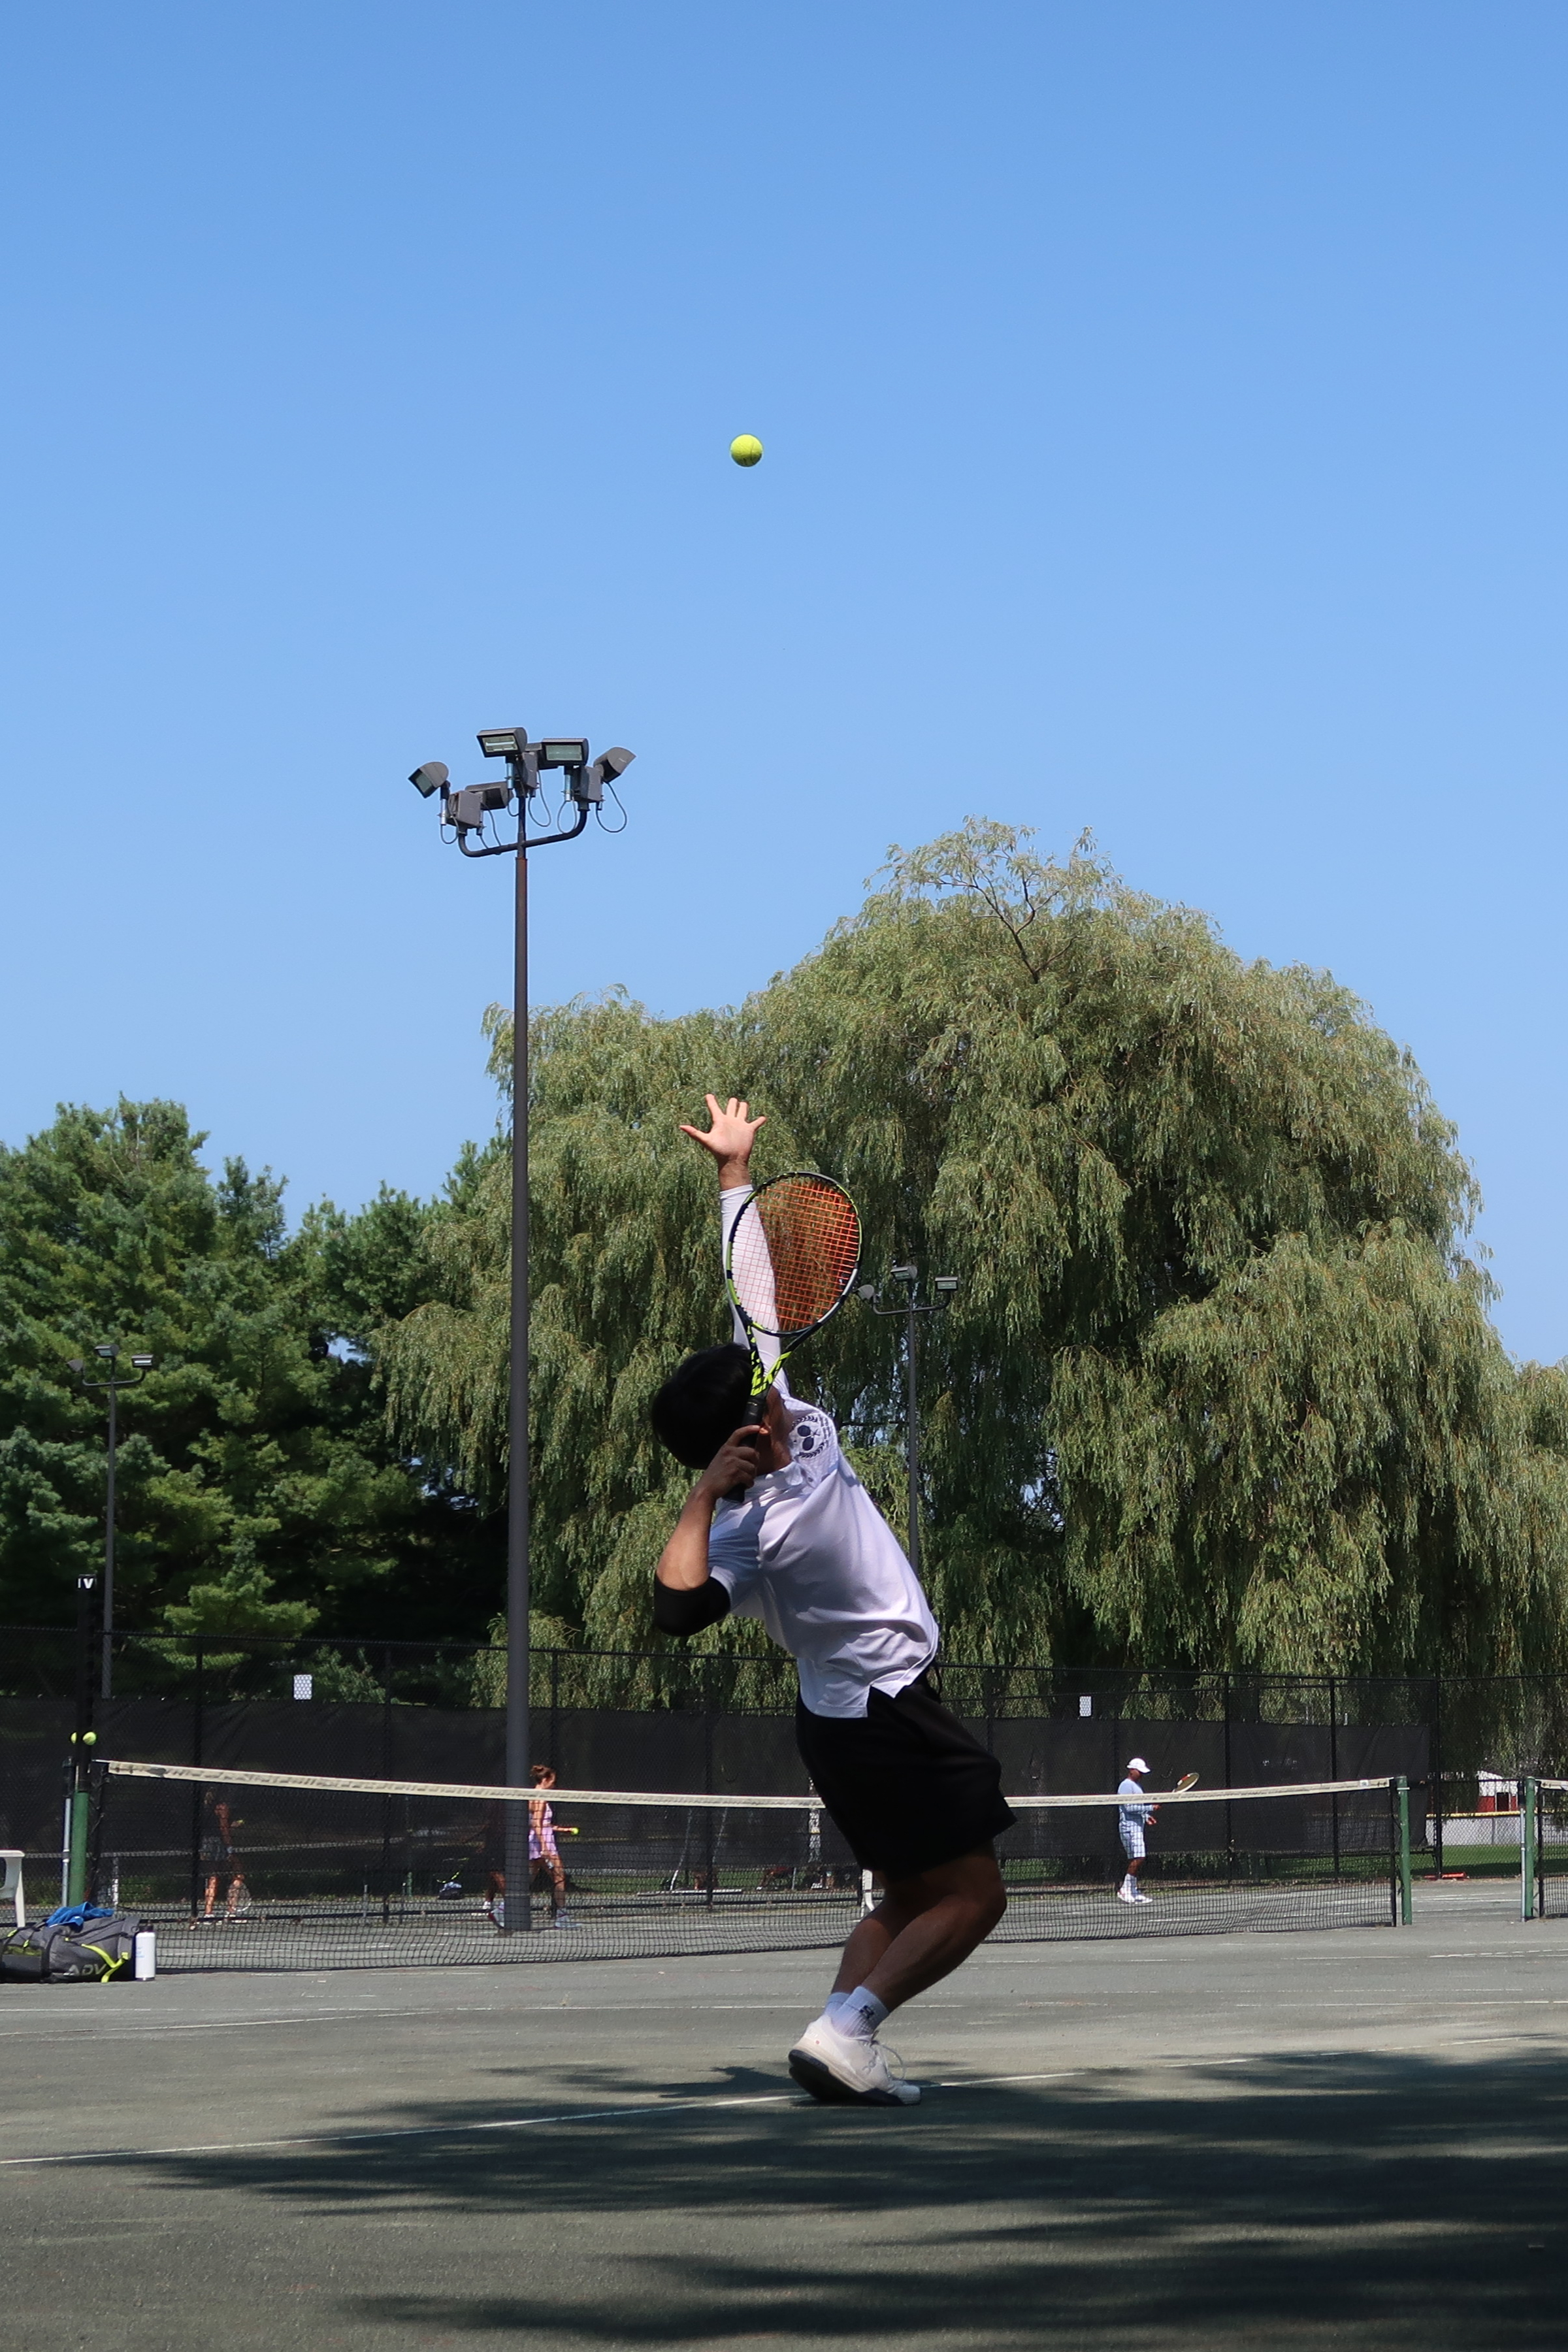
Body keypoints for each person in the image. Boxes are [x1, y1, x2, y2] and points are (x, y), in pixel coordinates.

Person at [649, 1096, 1014, 2108]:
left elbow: (752, 1293)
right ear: (745, 1432)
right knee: (976, 1896)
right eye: (762, 1390)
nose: (775, 1380)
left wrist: (733, 1172)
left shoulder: (780, 1410)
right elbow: (676, 1611)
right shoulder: (749, 1530)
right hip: (884, 1713)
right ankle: (851, 2027)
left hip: (849, 1715)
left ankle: (835, 2037)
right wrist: (703, 1498)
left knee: (907, 1893)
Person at [195, 1789, 248, 1925]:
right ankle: (231, 1912)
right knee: (238, 1875)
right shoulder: (222, 1808)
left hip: (206, 1843)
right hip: (219, 1844)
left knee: (212, 1878)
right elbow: (223, 1828)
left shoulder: (203, 1810)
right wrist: (229, 1848)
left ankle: (208, 1913)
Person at [1117, 1756, 1156, 1903]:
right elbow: (1129, 1807)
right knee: (1139, 1857)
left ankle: (1132, 1890)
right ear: (1131, 1770)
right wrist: (1151, 1808)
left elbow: (1138, 1807)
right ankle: (1125, 1890)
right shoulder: (1126, 1785)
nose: (1141, 1775)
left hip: (1137, 1827)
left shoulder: (1137, 1786)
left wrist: (1146, 1816)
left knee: (1137, 1858)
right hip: (1129, 1828)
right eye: (1139, 1771)